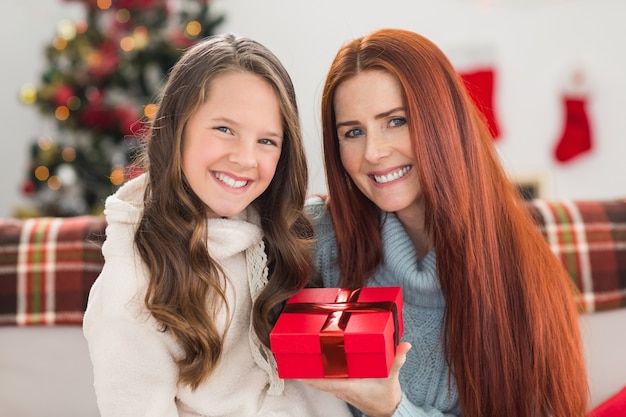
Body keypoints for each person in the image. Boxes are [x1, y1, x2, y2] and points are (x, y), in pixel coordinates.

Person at [303, 28, 589, 417]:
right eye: (352, 132)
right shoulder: (326, 240)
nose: (373, 152)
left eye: (396, 121)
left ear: (444, 123)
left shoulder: (523, 281)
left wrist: (393, 409)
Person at [82, 33, 352, 417]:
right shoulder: (131, 290)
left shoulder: (277, 230)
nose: (244, 158)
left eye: (267, 140)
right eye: (224, 129)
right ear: (178, 129)